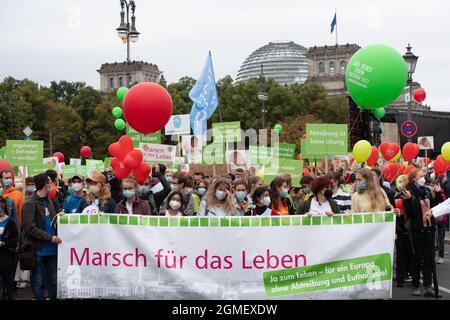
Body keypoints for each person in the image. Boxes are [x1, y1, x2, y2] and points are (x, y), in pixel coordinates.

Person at [21, 173, 62, 300]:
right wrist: (50, 238)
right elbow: (29, 228)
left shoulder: (49, 201)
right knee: (38, 282)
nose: (52, 184)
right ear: (44, 184)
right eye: (49, 182)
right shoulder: (30, 203)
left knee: (54, 281)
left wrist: (61, 217)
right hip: (38, 250)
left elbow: (53, 220)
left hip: (52, 250)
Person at [400, 168, 437, 297]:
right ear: (414, 178)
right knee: (417, 259)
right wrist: (410, 200)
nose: (423, 178)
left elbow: (432, 208)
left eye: (423, 176)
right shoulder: (409, 193)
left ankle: (428, 287)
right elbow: (410, 213)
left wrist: (436, 194)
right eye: (420, 176)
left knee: (429, 259)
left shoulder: (426, 191)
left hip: (429, 229)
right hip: (417, 230)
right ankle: (416, 286)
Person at [0, 198, 19, 300]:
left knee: (7, 276)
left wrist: (4, 243)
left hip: (5, 254)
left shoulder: (10, 221)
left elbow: (15, 238)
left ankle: (10, 296)